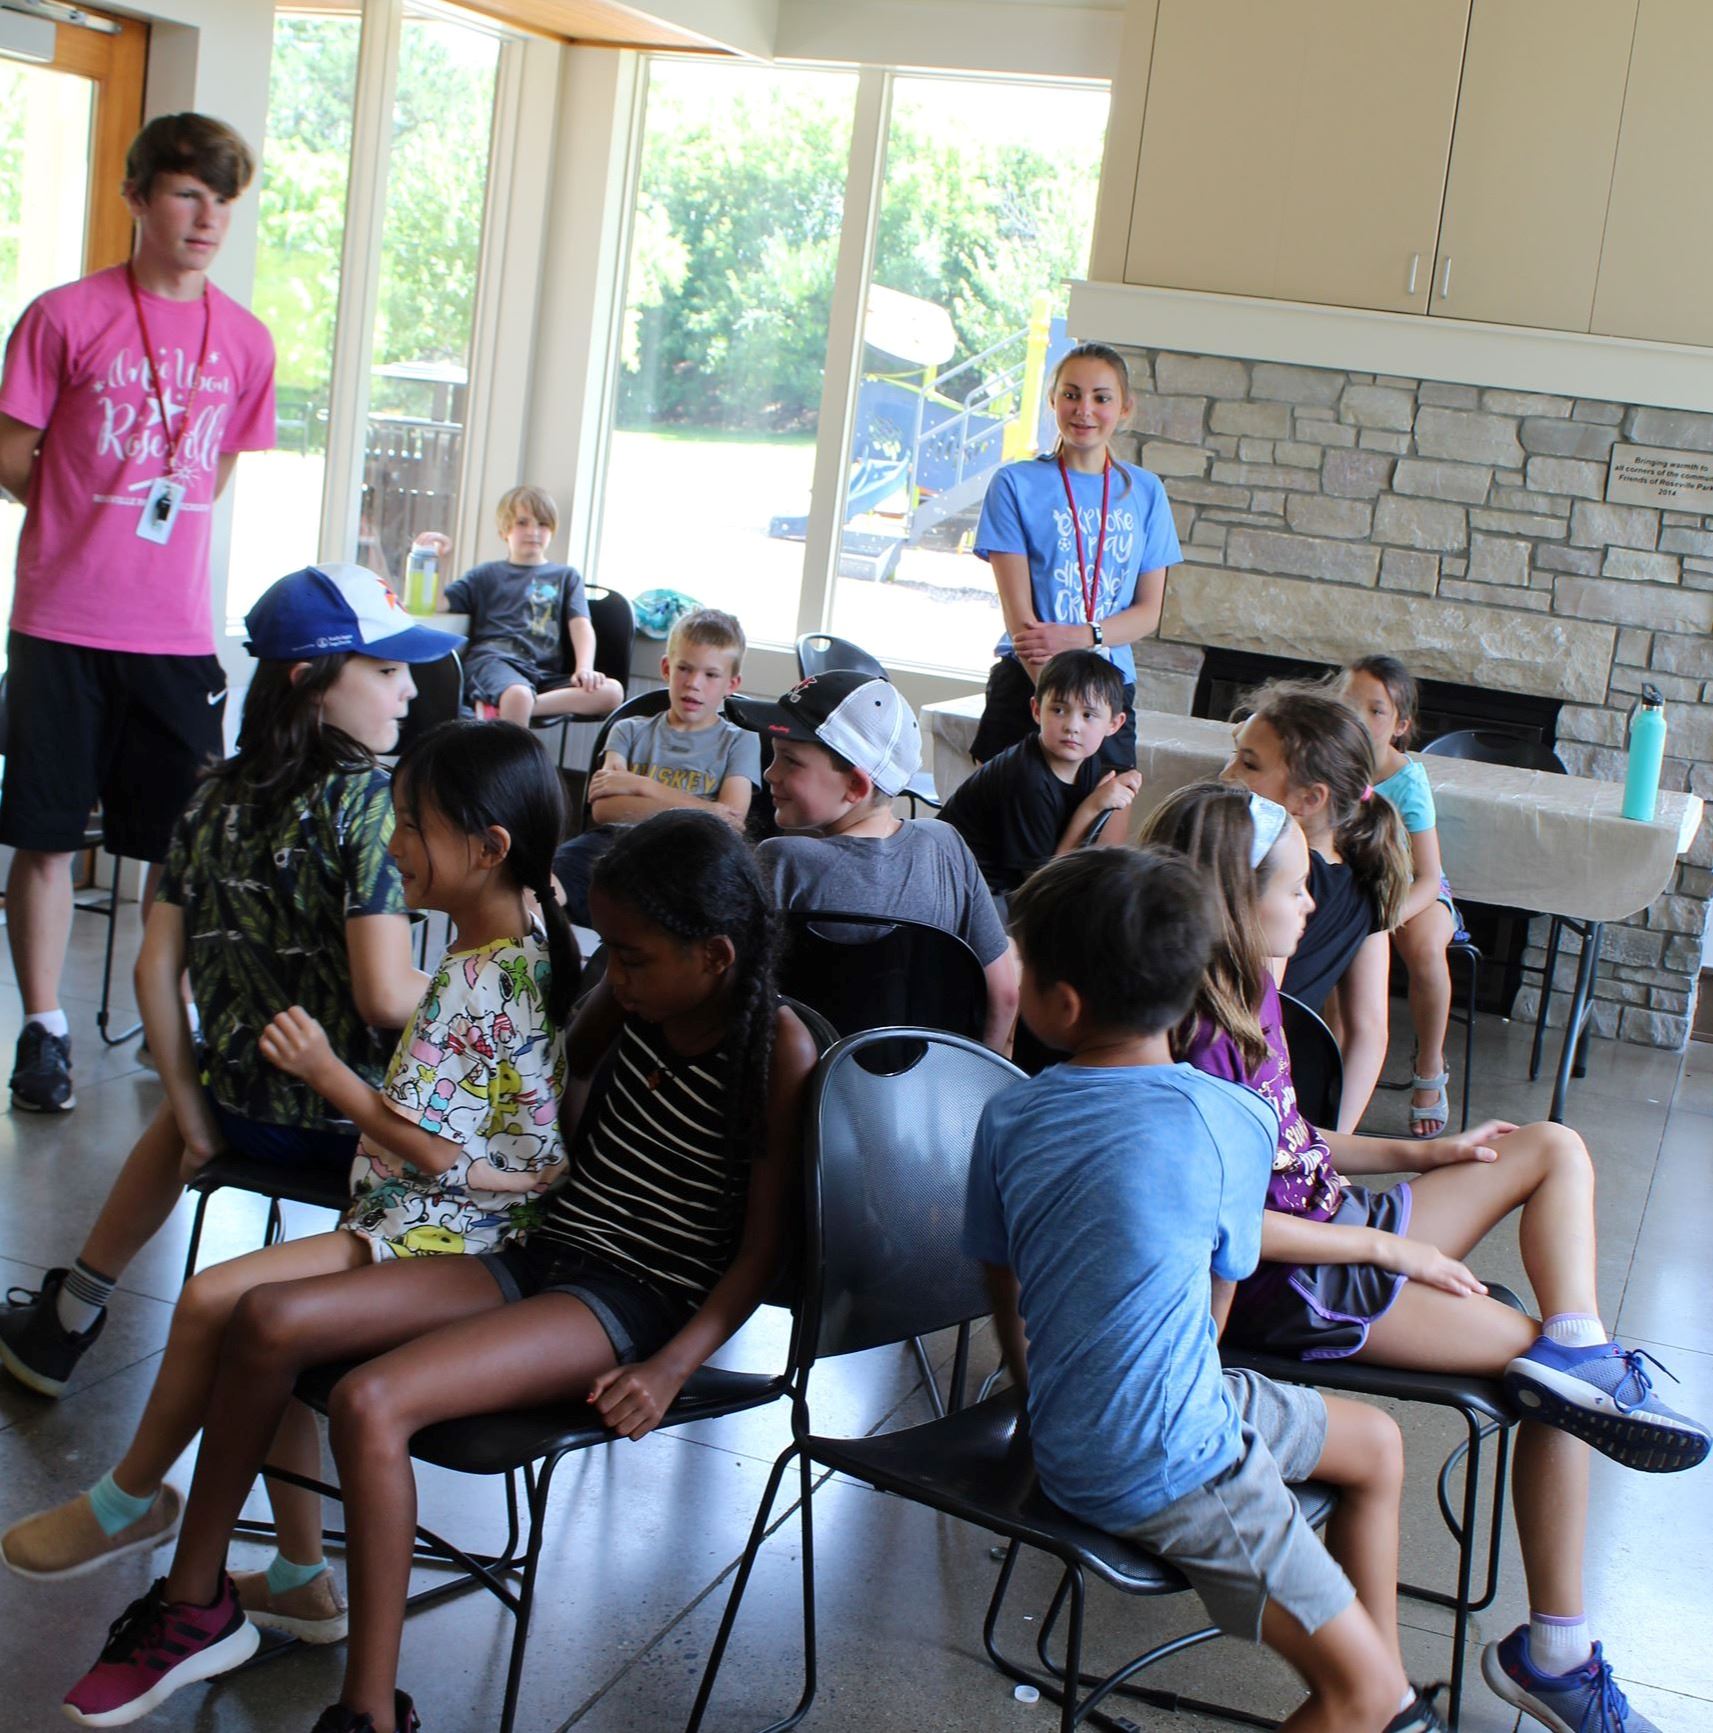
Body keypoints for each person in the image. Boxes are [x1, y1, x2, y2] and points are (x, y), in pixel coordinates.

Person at [56, 809, 816, 1733]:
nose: (615, 974)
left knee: (369, 1401)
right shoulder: (632, 994)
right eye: (610, 952)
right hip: (536, 1242)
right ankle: (192, 1602)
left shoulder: (775, 1049)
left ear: (717, 956)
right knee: (265, 1319)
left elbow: (759, 1251)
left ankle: (370, 1711)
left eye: (637, 957)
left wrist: (670, 1366)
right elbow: (542, 1099)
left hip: (629, 1295)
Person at [1147, 778, 1710, 1733]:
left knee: (1549, 1148)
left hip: (1344, 1231)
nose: (1313, 904)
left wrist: (1422, 1152)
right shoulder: (1187, 1034)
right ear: (1234, 904)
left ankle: (1579, 1346)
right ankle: (1555, 1651)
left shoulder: (1254, 991)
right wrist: (1378, 1243)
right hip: (1299, 1281)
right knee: (1547, 1379)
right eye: (1292, 889)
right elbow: (1223, 1221)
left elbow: (1293, 1139)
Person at [4, 719, 576, 1657]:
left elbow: (432, 1151)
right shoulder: (526, 939)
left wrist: (326, 1071)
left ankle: (128, 1501)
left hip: (433, 1231)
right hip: (428, 1217)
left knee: (217, 1301)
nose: (394, 848)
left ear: (489, 848)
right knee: (236, 1311)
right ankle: (292, 1574)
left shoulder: (478, 976)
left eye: (411, 827)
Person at [965, 846, 1447, 1733]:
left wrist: (1040, 1391)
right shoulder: (1231, 1118)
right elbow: (1219, 1304)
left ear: (1058, 1004)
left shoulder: (1007, 1112)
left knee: (1375, 1444)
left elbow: (1003, 1281)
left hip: (1084, 1421)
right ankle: (1370, 1696)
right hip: (1175, 1452)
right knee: (1364, 1694)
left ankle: (1369, 1689)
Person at [0, 565, 458, 1403]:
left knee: (190, 1100)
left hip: (242, 1118)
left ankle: (68, 1316)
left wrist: (191, 1110)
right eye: (386, 671)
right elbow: (385, 997)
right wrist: (478, 996)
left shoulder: (210, 794)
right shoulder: (369, 804)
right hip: (358, 1132)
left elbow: (153, 970)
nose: (407, 691)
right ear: (310, 682)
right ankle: (398, 1346)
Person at [0, 112, 276, 1114]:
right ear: (138, 199)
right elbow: (11, 454)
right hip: (61, 621)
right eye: (187, 194)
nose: (207, 218)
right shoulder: (63, 316)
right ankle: (44, 1027)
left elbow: (219, 466)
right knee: (44, 831)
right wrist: (83, 509)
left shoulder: (245, 339)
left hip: (172, 632)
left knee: (179, 844)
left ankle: (170, 1017)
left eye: (223, 199)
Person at [728, 669, 1018, 1052]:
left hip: (804, 1094)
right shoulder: (947, 845)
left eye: (790, 761)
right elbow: (1004, 993)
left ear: (856, 786)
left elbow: (732, 989)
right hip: (922, 1092)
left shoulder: (782, 861)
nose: (770, 774)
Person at [968, 341, 1179, 773]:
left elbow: (1147, 612)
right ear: (1053, 401)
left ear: (1124, 408)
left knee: (1102, 829)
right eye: (1071, 394)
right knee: (1013, 833)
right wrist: (1059, 706)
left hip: (1108, 693)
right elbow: (1021, 620)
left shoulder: (1147, 491)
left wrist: (1084, 637)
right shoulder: (1015, 484)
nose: (1084, 409)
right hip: (1031, 686)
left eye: (1101, 397)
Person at [1221, 679, 1409, 1133]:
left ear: (1309, 798)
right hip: (1290, 1104)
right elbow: (1369, 1031)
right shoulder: (1368, 878)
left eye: (1248, 764)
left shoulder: (1275, 880)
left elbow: (1256, 1011)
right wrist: (1332, 1143)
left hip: (1236, 1093)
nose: (1227, 775)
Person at [552, 606, 760, 924]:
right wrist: (707, 810)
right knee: (544, 885)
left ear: (731, 683)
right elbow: (605, 810)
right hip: (615, 843)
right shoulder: (629, 729)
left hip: (693, 854)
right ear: (666, 668)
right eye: (684, 669)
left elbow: (730, 822)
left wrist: (641, 785)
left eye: (710, 675)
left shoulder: (740, 740)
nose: (694, 684)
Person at [1342, 655, 1461, 1137]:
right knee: (1339, 949)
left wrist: (1388, 915)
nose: (1360, 719)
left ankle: (1429, 1066)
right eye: (1351, 705)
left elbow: (1429, 876)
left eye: (1376, 711)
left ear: (1400, 725)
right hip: (1353, 883)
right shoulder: (1331, 761)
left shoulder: (1408, 782)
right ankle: (1337, 1065)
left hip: (1412, 886)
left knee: (1425, 946)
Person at [940, 648, 1141, 900]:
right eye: (1058, 710)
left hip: (1007, 889)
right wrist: (1091, 808)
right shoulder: (1027, 778)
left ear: (1114, 724)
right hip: (962, 894)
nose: (1072, 726)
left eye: (1088, 715)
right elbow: (1041, 890)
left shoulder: (1088, 763)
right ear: (1036, 710)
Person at [414, 486, 622, 728]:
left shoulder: (566, 576)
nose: (533, 531)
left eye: (542, 524)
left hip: (542, 671)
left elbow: (581, 625)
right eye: (523, 523)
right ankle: (513, 755)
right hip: (495, 662)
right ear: (505, 530)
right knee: (519, 695)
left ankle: (506, 709)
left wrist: (584, 668)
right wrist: (442, 561)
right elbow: (440, 604)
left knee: (612, 692)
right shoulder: (486, 575)